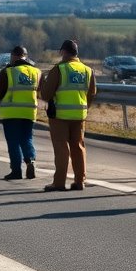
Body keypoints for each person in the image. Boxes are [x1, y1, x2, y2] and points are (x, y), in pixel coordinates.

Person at [38, 39, 96, 192]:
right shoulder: (87, 70)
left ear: (63, 52)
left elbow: (46, 94)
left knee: (62, 147)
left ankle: (59, 182)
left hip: (60, 115)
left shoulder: (59, 69)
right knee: (78, 147)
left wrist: (44, 84)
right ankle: (79, 181)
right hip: (79, 115)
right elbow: (92, 93)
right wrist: (83, 107)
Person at [0, 45, 40, 180]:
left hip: (11, 112)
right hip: (29, 112)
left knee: (13, 141)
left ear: (14, 56)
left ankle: (16, 170)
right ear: (26, 56)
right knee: (27, 138)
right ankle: (31, 161)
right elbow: (42, 91)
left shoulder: (8, 72)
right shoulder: (36, 72)